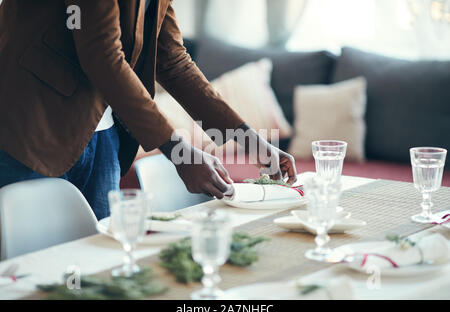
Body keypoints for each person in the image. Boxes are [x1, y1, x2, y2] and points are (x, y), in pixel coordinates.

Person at [0, 0, 297, 220]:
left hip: (102, 132)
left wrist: (252, 142)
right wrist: (179, 151)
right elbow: (102, 56)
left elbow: (173, 61)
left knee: (102, 263)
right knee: (36, 269)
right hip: (33, 126)